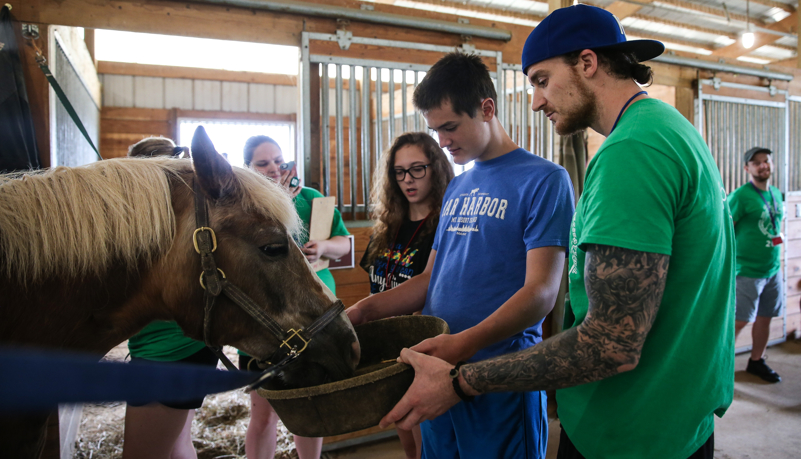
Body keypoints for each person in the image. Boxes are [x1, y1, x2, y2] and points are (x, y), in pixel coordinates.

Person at [378, 5, 735, 459]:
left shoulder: (632, 153)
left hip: (632, 425)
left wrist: (461, 381)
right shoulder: (669, 131)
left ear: (587, 63)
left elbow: (610, 344)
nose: (536, 101)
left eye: (542, 80)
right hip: (671, 413)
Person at [347, 53, 575, 459]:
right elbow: (431, 279)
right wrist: (363, 312)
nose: (442, 141)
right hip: (437, 370)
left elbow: (541, 292)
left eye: (450, 127)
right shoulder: (457, 187)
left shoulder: (544, 180)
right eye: (435, 130)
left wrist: (462, 345)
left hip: (497, 373)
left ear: (487, 109)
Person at [240, 135, 351, 459]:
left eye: (278, 160)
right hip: (264, 318)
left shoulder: (312, 199)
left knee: (311, 408)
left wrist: (324, 247)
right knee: (264, 413)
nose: (274, 168)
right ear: (248, 168)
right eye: (263, 163)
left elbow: (343, 242)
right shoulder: (244, 206)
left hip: (314, 314)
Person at [123, 136, 220, 459]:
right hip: (185, 347)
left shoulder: (160, 228)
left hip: (169, 352)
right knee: (177, 443)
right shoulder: (184, 221)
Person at [359, 132, 454, 459]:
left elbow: (432, 285)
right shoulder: (387, 225)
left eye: (417, 169)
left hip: (422, 343)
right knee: (402, 425)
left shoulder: (444, 223)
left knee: (422, 429)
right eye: (399, 172)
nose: (408, 180)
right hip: (386, 341)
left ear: (436, 168)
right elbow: (373, 280)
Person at [730, 147, 784, 383]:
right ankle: (717, 365)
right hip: (747, 271)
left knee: (766, 316)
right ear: (747, 168)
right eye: (756, 162)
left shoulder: (776, 194)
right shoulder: (741, 196)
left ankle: (756, 361)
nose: (763, 165)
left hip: (772, 269)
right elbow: (725, 229)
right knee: (739, 320)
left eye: (766, 161)